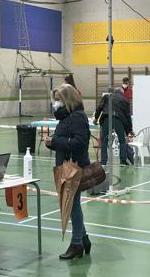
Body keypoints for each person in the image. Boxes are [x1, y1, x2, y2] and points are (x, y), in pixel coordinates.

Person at [44, 84, 91, 260]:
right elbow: (66, 141)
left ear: (67, 100)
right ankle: (84, 238)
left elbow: (80, 142)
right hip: (65, 166)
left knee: (73, 205)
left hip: (74, 168)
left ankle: (77, 243)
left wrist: (56, 142)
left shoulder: (77, 117)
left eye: (58, 99)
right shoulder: (66, 117)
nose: (56, 103)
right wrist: (53, 143)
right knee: (73, 205)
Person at [94, 87, 134, 166]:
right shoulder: (125, 100)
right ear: (122, 93)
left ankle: (103, 161)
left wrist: (96, 118)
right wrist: (129, 130)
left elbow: (99, 108)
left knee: (104, 141)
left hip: (106, 119)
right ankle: (122, 161)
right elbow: (127, 116)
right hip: (118, 120)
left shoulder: (107, 97)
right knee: (122, 140)